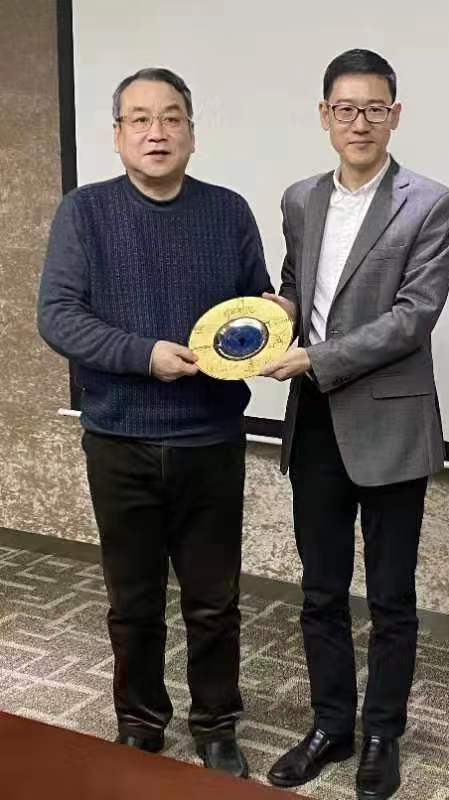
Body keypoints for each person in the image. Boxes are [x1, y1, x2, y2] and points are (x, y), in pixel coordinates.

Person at [37, 67, 273, 779]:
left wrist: (270, 318)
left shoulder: (228, 211)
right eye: (139, 119)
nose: (156, 132)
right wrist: (144, 356)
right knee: (133, 600)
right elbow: (59, 317)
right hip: (120, 438)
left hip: (210, 439)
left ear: (192, 133)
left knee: (214, 601)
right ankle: (139, 721)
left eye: (171, 118)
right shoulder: (84, 212)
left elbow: (252, 305)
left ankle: (216, 725)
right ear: (117, 135)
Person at [261, 49, 449, 800]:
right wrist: (272, 314)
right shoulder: (299, 199)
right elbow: (298, 286)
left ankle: (382, 734)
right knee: (319, 590)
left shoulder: (432, 204)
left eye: (375, 109)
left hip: (389, 424)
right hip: (314, 422)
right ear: (325, 115)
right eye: (345, 108)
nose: (360, 122)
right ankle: (331, 727)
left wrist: (315, 358)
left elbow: (413, 318)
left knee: (390, 599)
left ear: (395, 115)